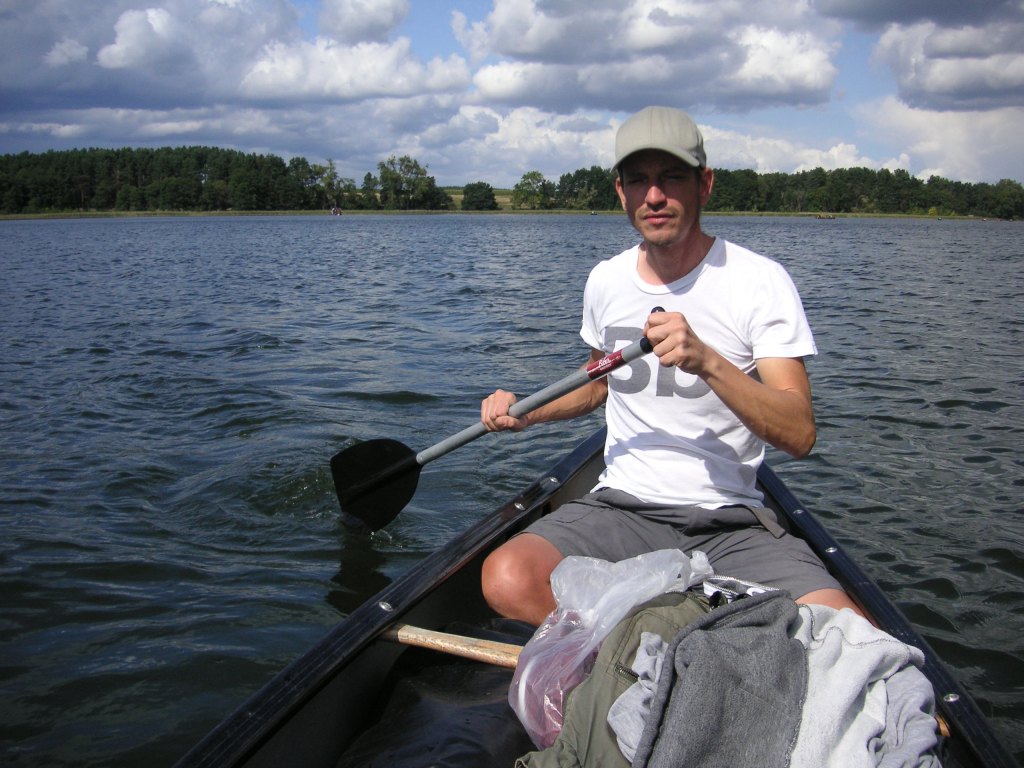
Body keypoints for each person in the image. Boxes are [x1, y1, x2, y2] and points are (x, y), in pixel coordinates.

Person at [479, 105, 861, 627]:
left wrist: (707, 361)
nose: (654, 196)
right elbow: (597, 384)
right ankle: (659, 644)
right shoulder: (606, 280)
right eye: (638, 180)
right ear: (621, 192)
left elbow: (799, 433)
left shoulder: (759, 280)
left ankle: (650, 637)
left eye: (671, 178)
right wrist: (527, 411)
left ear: (705, 184)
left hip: (731, 522)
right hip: (622, 507)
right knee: (506, 577)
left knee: (846, 632)